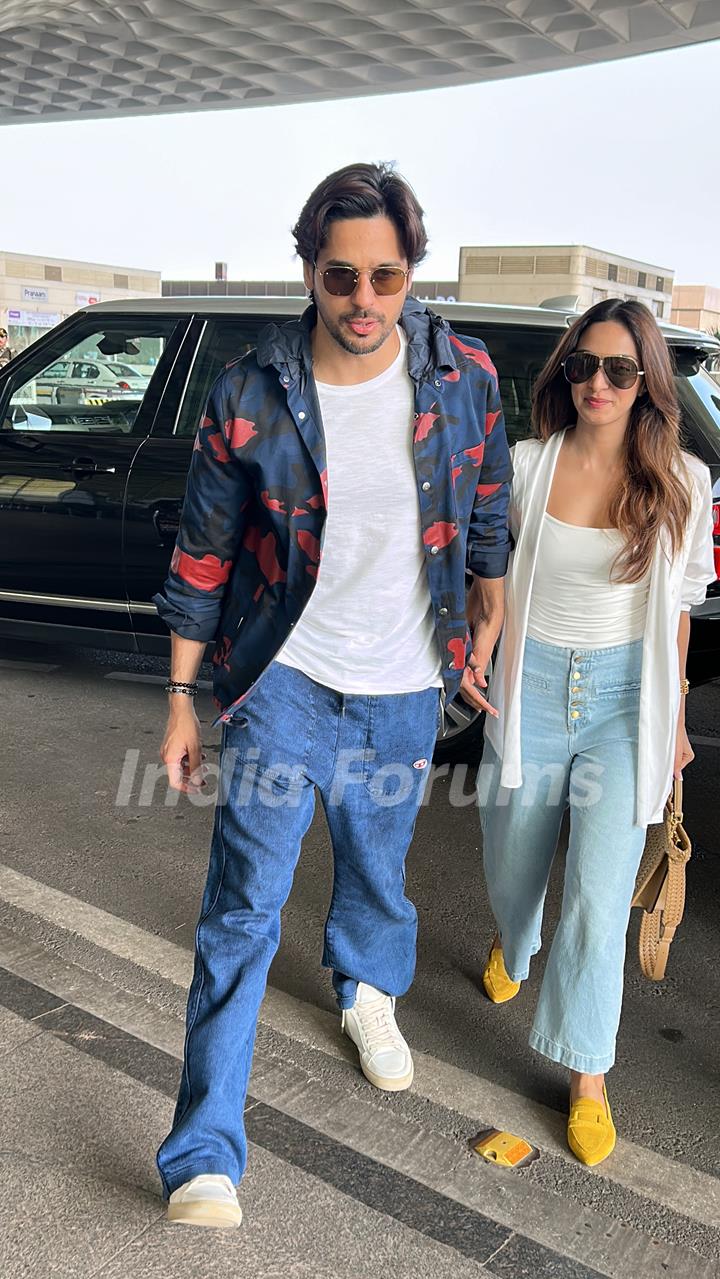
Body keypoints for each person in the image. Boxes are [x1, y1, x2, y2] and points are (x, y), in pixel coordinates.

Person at [153, 161, 512, 1227]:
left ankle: (366, 988)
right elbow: (205, 553)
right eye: (342, 277)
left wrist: (486, 613)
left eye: (387, 279)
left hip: (406, 686)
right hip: (284, 683)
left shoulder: (464, 378)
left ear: (412, 274)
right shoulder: (250, 389)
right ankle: (204, 1152)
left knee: (376, 866)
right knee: (241, 912)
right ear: (307, 269)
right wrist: (181, 698)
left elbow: (486, 504)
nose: (365, 302)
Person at [478, 297, 715, 1167]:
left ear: (647, 381)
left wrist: (677, 716)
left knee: (599, 890)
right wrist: (480, 646)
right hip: (531, 683)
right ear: (564, 374)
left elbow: (681, 609)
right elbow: (493, 581)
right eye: (584, 366)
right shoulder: (527, 466)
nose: (599, 383)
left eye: (619, 368)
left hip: (627, 697)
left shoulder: (685, 482)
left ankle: (588, 1076)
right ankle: (513, 932)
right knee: (513, 853)